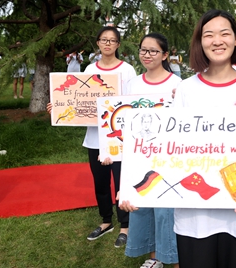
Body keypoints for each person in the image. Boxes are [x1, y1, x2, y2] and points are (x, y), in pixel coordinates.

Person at [173, 9, 236, 268]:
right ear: (200, 42)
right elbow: (169, 148)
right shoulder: (185, 89)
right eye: (208, 35)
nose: (217, 41)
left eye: (224, 34)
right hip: (194, 217)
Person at [48, 26, 136, 246]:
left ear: (118, 44)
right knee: (100, 182)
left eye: (112, 40)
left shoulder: (127, 70)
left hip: (119, 138)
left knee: (122, 182)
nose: (107, 43)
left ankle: (125, 226)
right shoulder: (89, 69)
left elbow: (132, 102)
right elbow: (78, 99)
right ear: (97, 43)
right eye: (104, 40)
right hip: (95, 138)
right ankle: (106, 221)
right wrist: (58, 107)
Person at [120, 33, 182, 268]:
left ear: (165, 55)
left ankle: (173, 258)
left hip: (168, 155)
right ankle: (154, 257)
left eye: (153, 51)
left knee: (167, 210)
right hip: (139, 155)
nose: (147, 55)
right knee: (143, 204)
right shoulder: (132, 84)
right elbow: (120, 117)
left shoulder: (178, 85)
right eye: (143, 50)